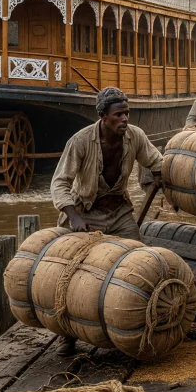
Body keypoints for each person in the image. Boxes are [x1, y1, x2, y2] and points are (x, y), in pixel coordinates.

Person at [50, 87, 164, 356]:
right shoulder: (80, 141)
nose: (125, 119)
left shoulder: (134, 136)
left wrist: (165, 175)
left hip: (120, 211)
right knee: (69, 273)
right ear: (102, 116)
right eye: (118, 114)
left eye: (127, 113)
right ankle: (65, 337)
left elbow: (156, 161)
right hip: (86, 212)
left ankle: (136, 325)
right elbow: (59, 183)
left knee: (139, 263)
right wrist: (74, 217)